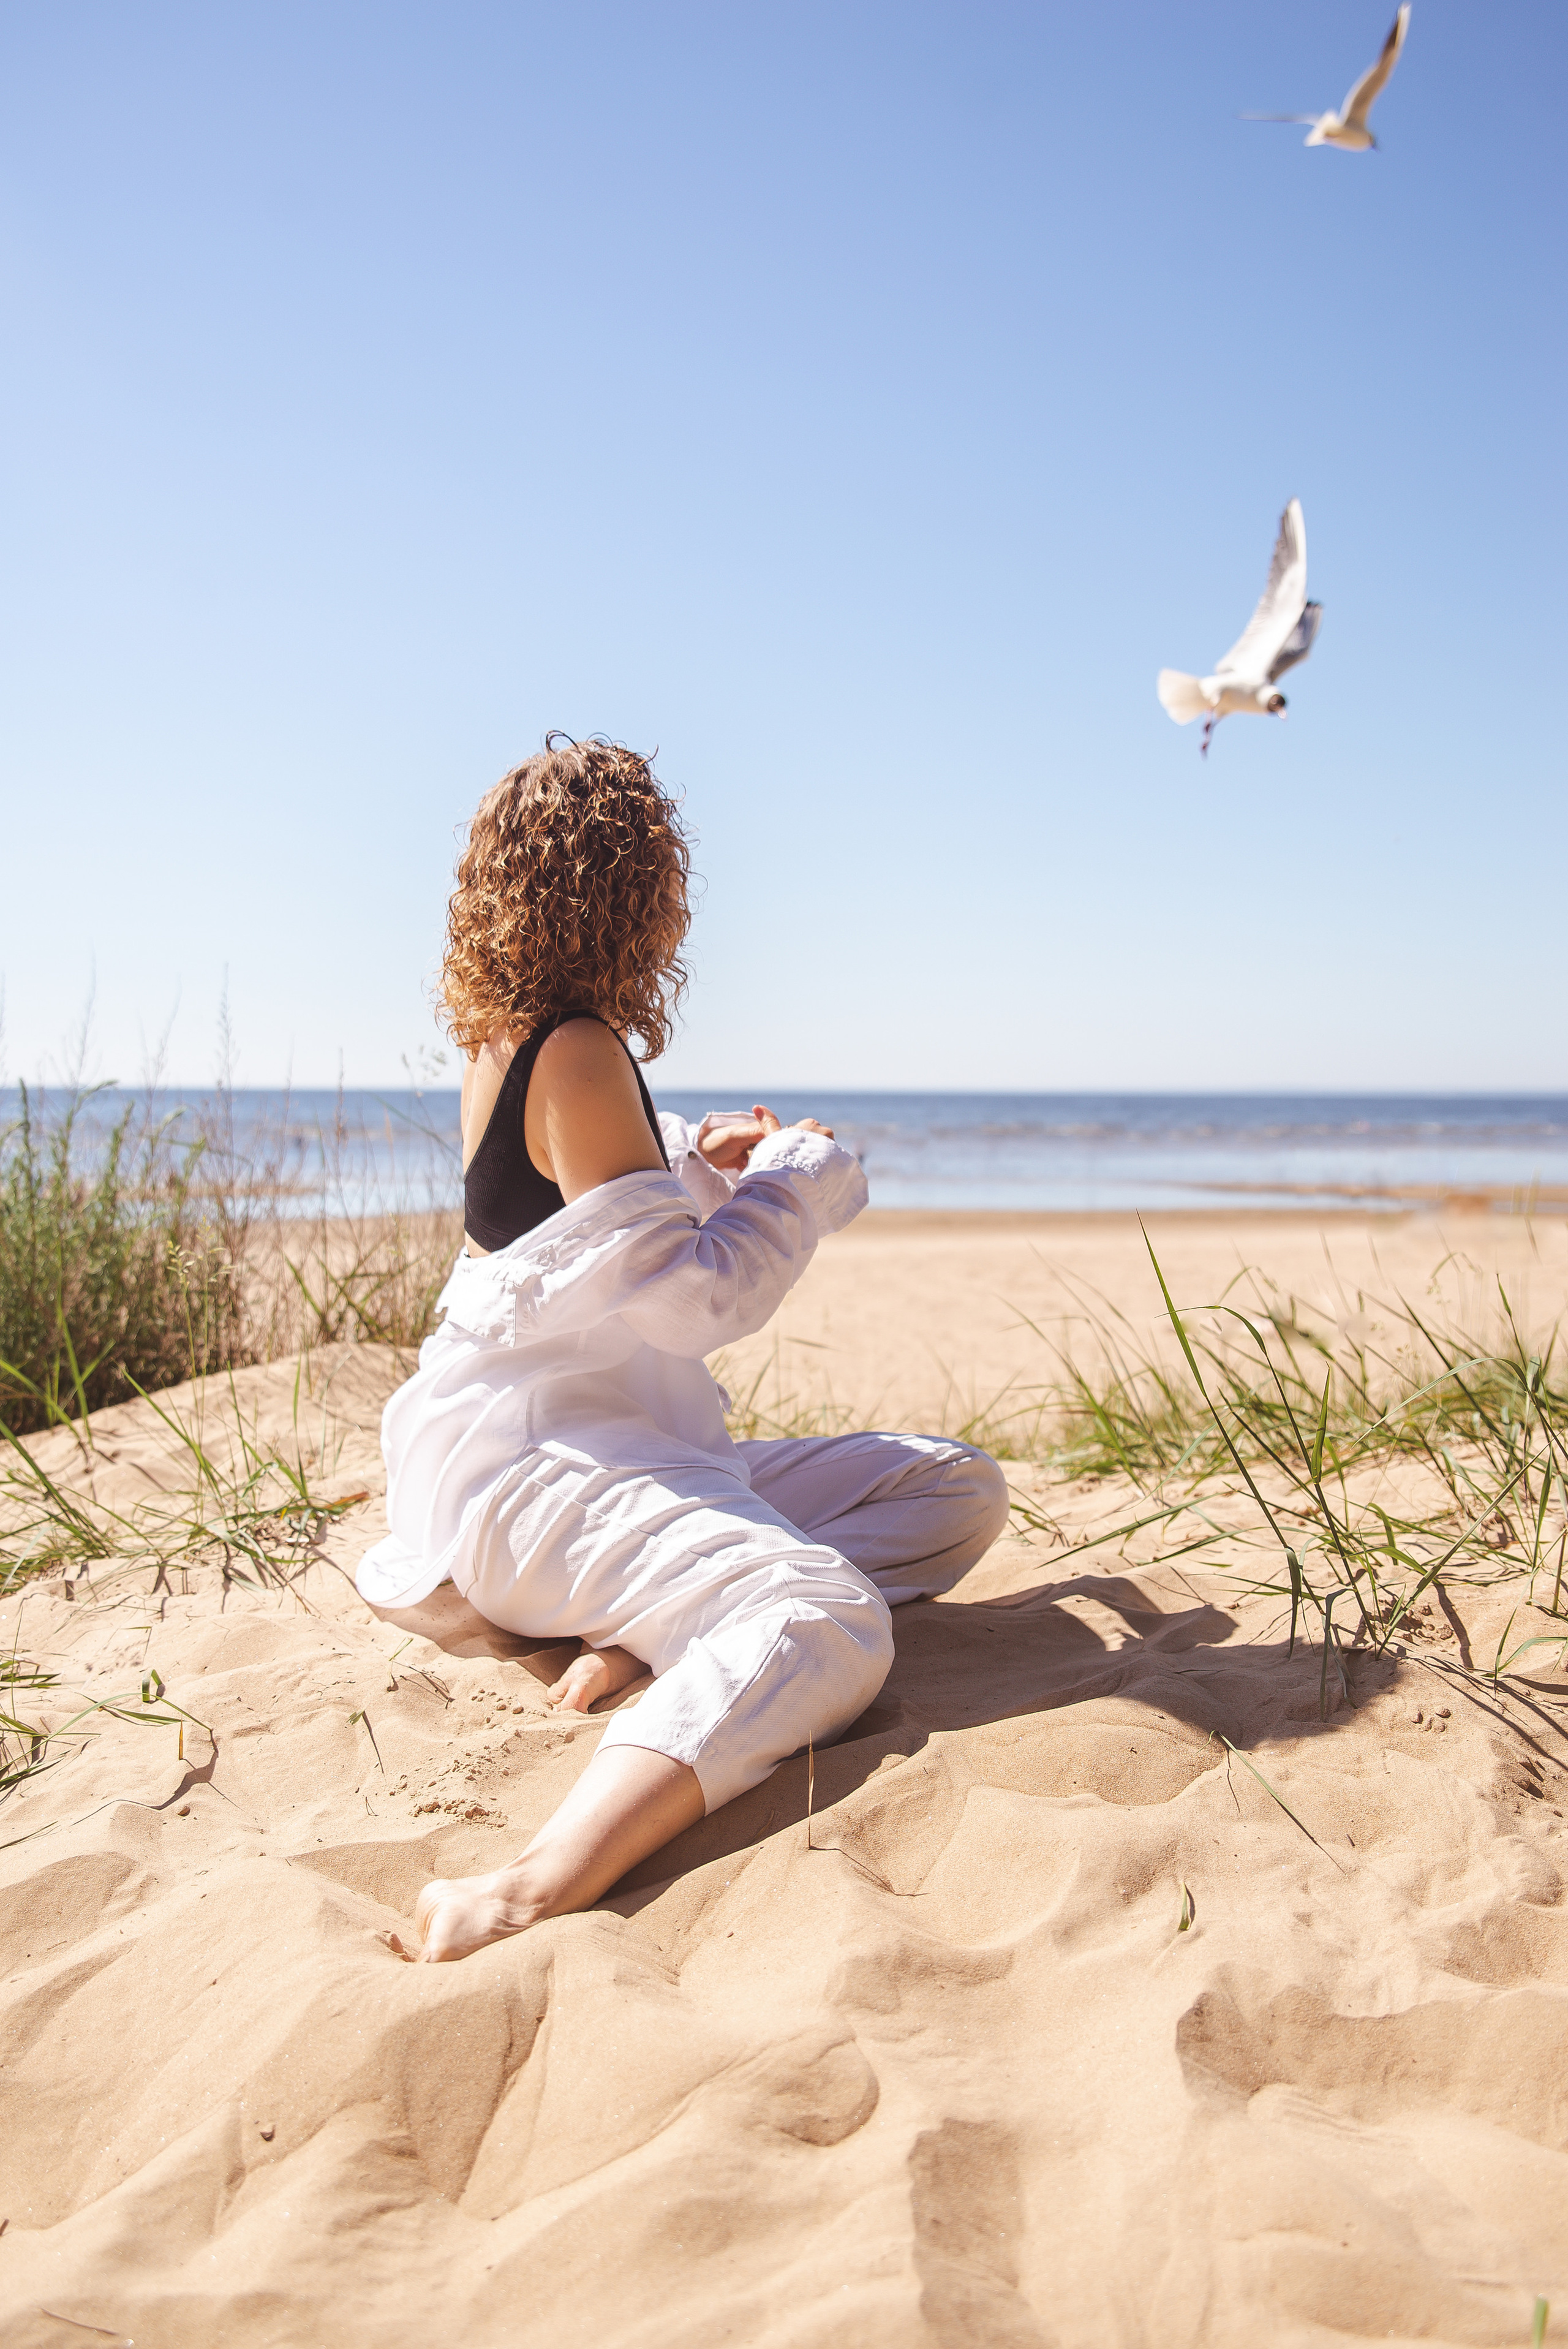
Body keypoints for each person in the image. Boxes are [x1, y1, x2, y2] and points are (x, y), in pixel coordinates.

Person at [358, 735, 1009, 1960]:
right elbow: (690, 1307)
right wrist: (796, 1179)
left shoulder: (513, 1040)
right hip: (543, 1479)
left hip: (603, 1453)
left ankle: (639, 1633)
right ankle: (533, 1881)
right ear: (639, 892)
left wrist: (694, 1165)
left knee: (950, 1485)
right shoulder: (577, 1050)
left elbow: (577, 1230)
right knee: (824, 1617)